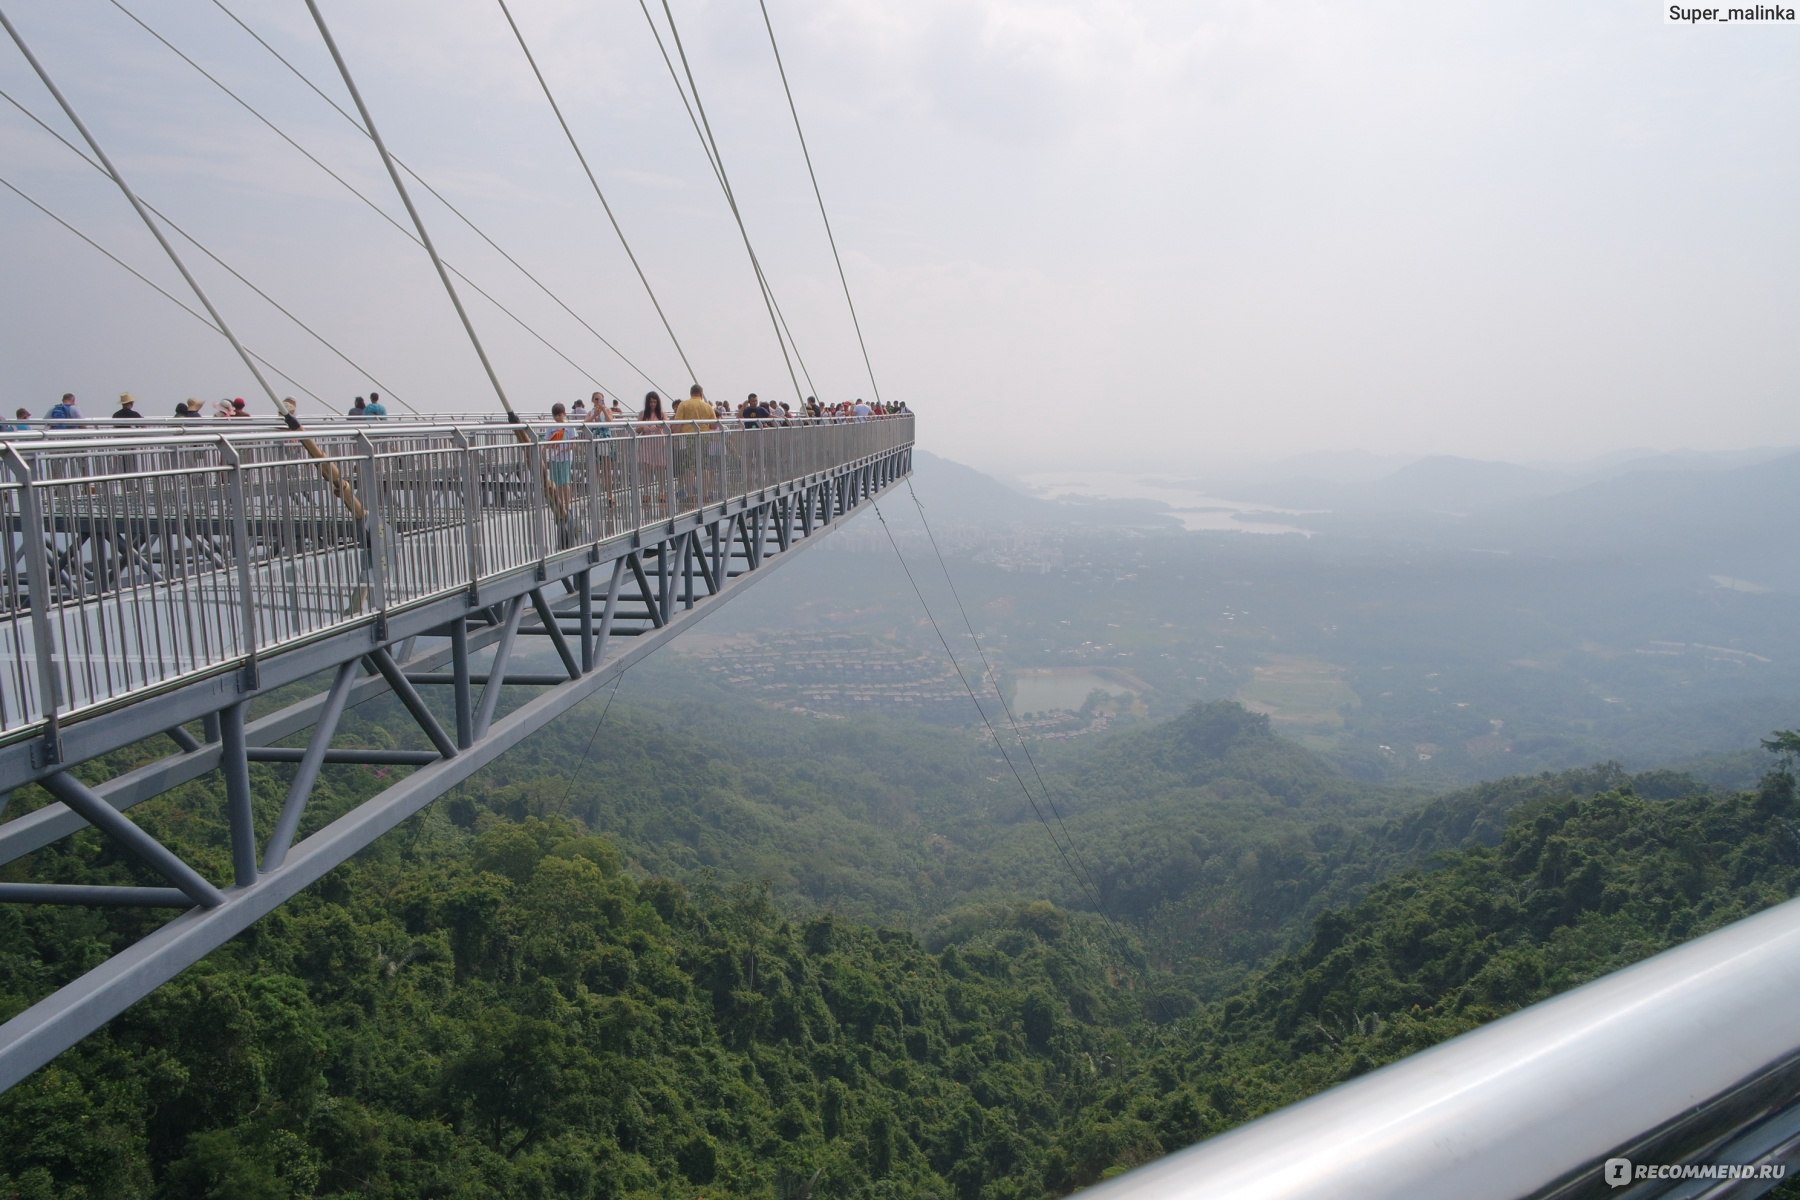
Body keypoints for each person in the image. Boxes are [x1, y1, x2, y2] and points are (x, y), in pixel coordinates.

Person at [544, 402, 573, 509]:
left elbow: (573, 443)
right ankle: (560, 504)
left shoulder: (569, 426)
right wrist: (551, 447)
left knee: (565, 482)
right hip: (554, 458)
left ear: (564, 414)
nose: (557, 418)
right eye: (555, 416)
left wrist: (563, 450)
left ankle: (567, 504)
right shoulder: (551, 427)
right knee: (556, 482)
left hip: (565, 458)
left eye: (559, 415)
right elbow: (547, 442)